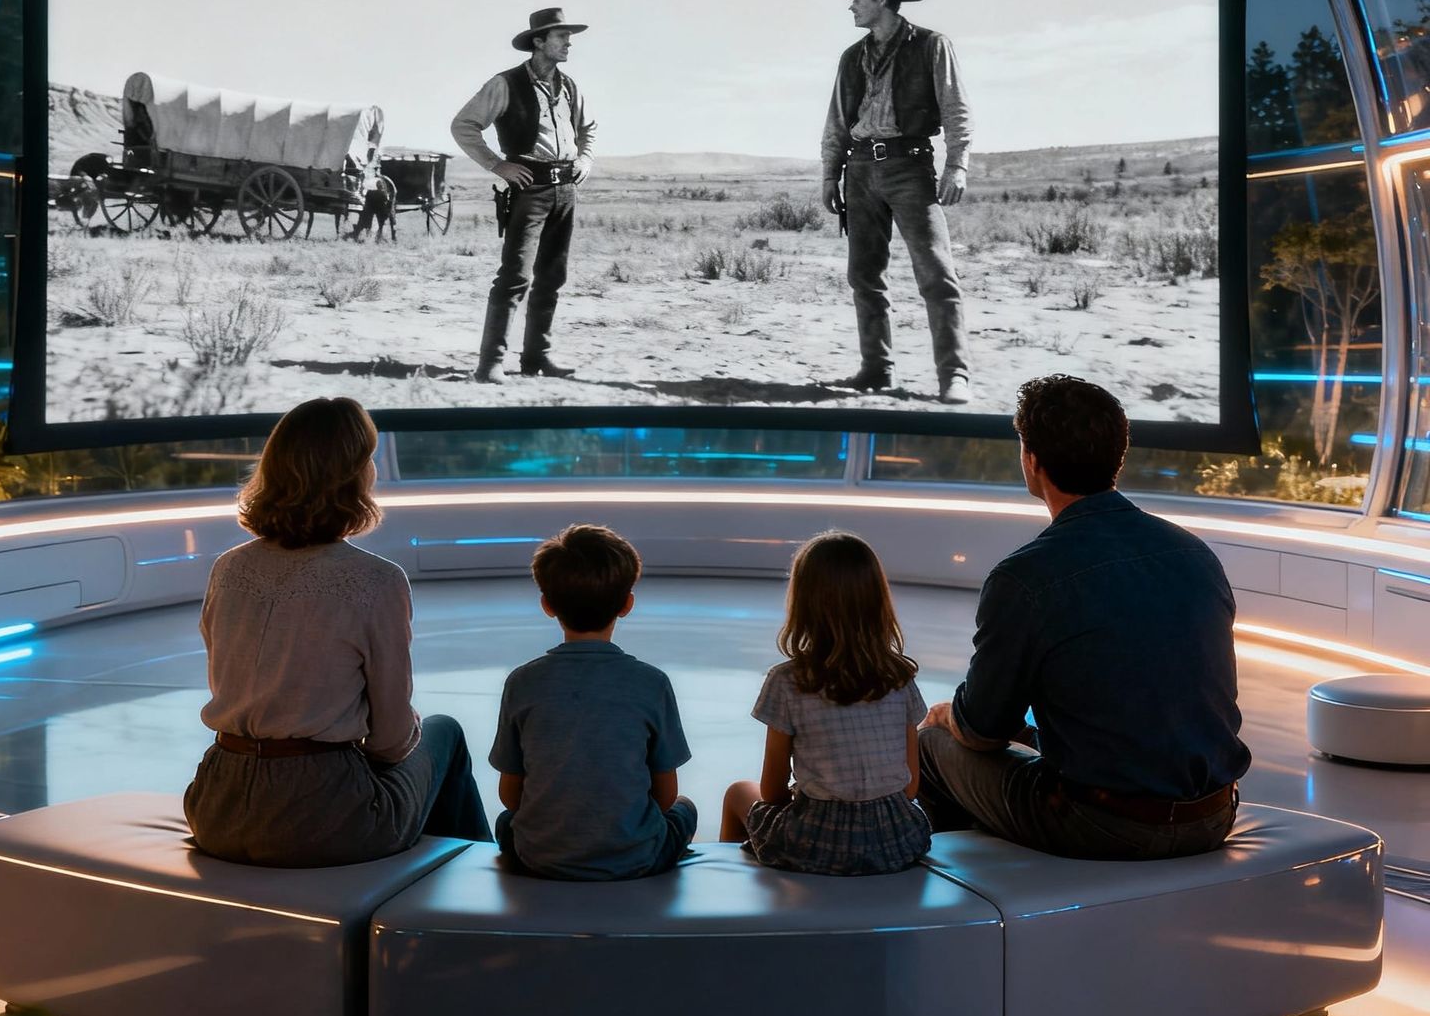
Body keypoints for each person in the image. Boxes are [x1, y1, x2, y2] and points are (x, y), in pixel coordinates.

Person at [916, 374, 1252, 860]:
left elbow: (982, 729)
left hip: (1104, 823)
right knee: (1027, 738)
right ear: (1118, 456)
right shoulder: (1193, 552)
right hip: (1215, 815)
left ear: (1032, 461)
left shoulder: (1024, 578)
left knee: (931, 745)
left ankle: (964, 911)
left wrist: (946, 715)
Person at [184, 398, 492, 867]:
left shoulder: (229, 568)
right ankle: (477, 893)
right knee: (442, 733)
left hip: (216, 806)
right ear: (354, 475)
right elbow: (390, 741)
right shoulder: (375, 580)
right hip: (320, 817)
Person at [489, 523, 697, 880]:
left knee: (507, 821)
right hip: (636, 858)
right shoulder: (651, 683)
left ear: (547, 605)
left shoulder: (522, 682)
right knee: (685, 809)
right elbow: (666, 797)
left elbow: (511, 795)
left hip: (538, 857)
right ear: (627, 605)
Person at [721, 532, 932, 875]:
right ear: (878, 600)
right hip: (897, 838)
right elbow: (909, 787)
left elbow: (772, 792)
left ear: (803, 603)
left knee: (736, 794)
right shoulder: (899, 677)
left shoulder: (789, 680)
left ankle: (734, 887)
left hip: (819, 842)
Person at [820, 0, 971, 403]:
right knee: (864, 276)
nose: (851, 7)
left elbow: (956, 108)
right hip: (861, 170)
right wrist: (831, 173)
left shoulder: (931, 45)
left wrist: (957, 165)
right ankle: (875, 369)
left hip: (911, 167)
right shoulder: (851, 57)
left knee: (936, 273)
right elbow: (836, 121)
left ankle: (954, 375)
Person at [451, 6, 597, 383]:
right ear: (539, 41)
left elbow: (589, 128)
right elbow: (464, 125)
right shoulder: (505, 84)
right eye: (561, 37)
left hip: (566, 189)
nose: (568, 44)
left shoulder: (569, 86)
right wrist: (497, 165)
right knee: (515, 277)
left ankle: (537, 358)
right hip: (528, 188)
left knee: (552, 276)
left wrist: (585, 160)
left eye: (569, 38)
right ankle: (490, 365)